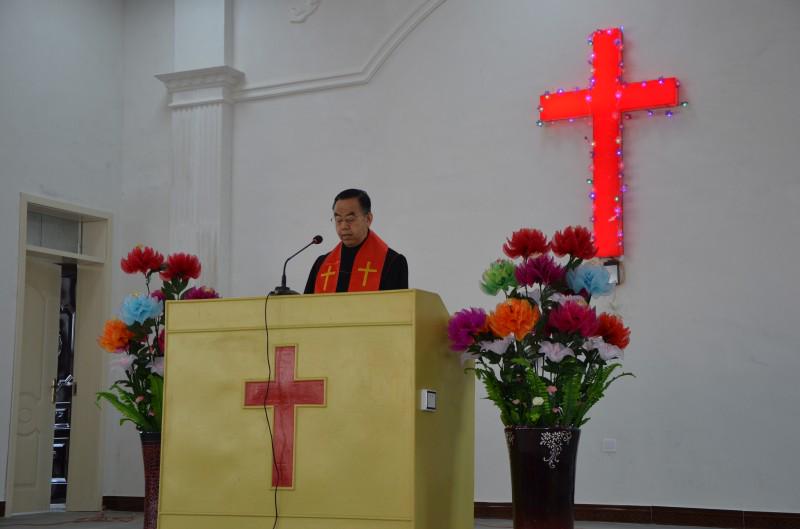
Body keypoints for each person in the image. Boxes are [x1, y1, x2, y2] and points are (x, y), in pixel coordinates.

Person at [304, 189, 408, 294]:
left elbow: (397, 308)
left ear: (368, 219)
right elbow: (306, 307)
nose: (343, 226)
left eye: (350, 219)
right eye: (339, 220)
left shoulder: (393, 263)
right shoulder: (322, 264)